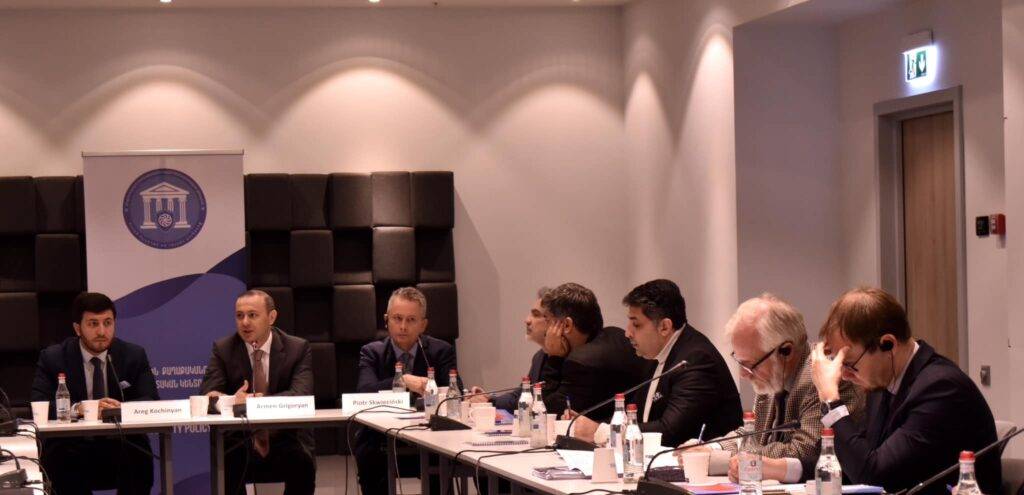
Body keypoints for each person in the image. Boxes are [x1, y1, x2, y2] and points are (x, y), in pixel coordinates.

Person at [811, 287, 1001, 495]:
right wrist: (790, 468)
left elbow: (876, 476)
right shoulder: (882, 383)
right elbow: (855, 460)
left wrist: (831, 400)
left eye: (849, 364)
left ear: (888, 344)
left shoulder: (941, 389)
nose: (844, 376)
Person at [681, 293, 862, 482]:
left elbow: (801, 452)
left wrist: (718, 460)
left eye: (750, 365)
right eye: (740, 362)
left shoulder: (822, 377)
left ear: (786, 351)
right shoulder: (772, 375)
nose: (743, 374)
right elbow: (753, 434)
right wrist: (710, 448)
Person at [571, 279, 742, 447]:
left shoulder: (695, 360)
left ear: (664, 327)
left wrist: (600, 431)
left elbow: (670, 432)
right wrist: (593, 426)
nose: (627, 333)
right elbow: (637, 416)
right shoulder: (657, 354)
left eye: (636, 324)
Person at [31, 292, 159, 495]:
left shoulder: (133, 355)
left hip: (121, 444)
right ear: (77, 328)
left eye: (108, 323)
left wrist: (121, 408)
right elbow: (40, 404)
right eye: (93, 324)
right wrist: (78, 409)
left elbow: (151, 399)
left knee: (139, 454)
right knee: (59, 457)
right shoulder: (54, 358)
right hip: (73, 446)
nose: (102, 331)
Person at [200, 289, 316, 495]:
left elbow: (301, 394)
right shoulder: (223, 349)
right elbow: (207, 396)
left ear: (271, 317)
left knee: (302, 462)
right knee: (228, 461)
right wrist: (231, 400)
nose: (245, 322)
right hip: (241, 441)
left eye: (252, 315)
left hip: (285, 437)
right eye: (239, 316)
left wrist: (256, 403)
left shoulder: (297, 348)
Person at [354, 286, 459, 495]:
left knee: (444, 457)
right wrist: (402, 381)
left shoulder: (440, 351)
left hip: (430, 438)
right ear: (386, 320)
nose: (403, 326)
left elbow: (455, 393)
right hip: (381, 439)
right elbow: (364, 392)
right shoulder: (372, 352)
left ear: (423, 325)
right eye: (397, 318)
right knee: (367, 453)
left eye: (411, 320)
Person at [538, 282, 648, 421]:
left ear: (566, 325)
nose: (546, 331)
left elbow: (546, 412)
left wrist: (554, 359)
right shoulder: (617, 335)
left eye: (548, 321)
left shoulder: (581, 362)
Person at [480, 287, 552, 410]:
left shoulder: (568, 360)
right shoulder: (539, 357)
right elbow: (519, 396)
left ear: (553, 322)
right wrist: (488, 399)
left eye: (536, 315)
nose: (527, 320)